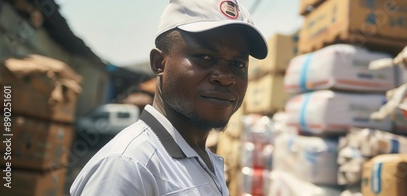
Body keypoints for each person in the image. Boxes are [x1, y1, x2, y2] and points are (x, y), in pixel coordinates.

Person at [69, 0, 267, 195]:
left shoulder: (200, 158)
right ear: (159, 63)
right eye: (206, 58)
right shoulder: (130, 166)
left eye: (238, 64)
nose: (225, 78)